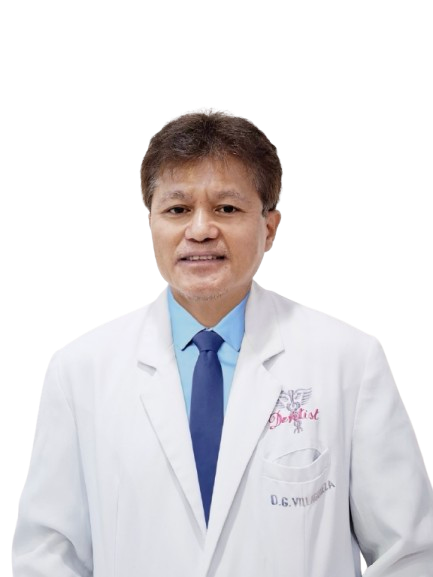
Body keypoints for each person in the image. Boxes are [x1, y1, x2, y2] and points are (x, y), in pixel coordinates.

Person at [12, 107, 432, 577]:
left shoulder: (349, 360)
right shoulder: (80, 369)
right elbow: (46, 557)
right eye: (177, 209)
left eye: (226, 209)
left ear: (269, 227)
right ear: (151, 223)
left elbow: (409, 553)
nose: (199, 230)